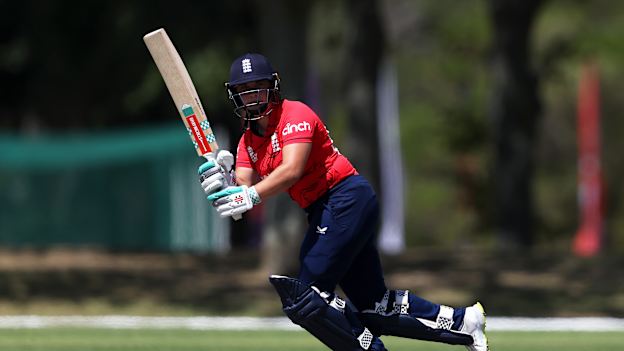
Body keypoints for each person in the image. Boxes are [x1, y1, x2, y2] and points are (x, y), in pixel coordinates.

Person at [199, 53, 489, 351]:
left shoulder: (296, 114)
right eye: (244, 91)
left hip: (345, 197)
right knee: (373, 307)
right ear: (236, 97)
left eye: (258, 87)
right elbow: (242, 194)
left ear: (273, 86)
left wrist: (249, 194)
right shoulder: (248, 143)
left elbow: (291, 170)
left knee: (307, 297)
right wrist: (225, 184)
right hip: (325, 210)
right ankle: (462, 323)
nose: (252, 97)